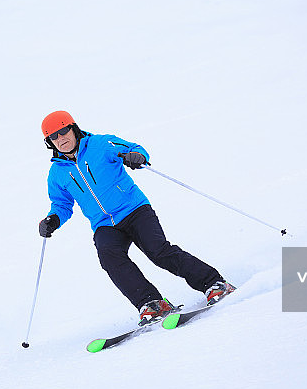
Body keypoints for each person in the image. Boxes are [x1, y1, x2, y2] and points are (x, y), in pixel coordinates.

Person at [38, 110, 235, 326]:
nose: (61, 139)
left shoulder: (101, 144)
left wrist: (135, 157)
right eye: (53, 137)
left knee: (158, 251)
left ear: (73, 129)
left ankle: (214, 283)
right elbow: (62, 204)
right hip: (104, 224)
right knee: (109, 258)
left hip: (134, 209)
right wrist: (53, 219)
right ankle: (152, 303)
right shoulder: (57, 173)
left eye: (64, 131)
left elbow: (134, 149)